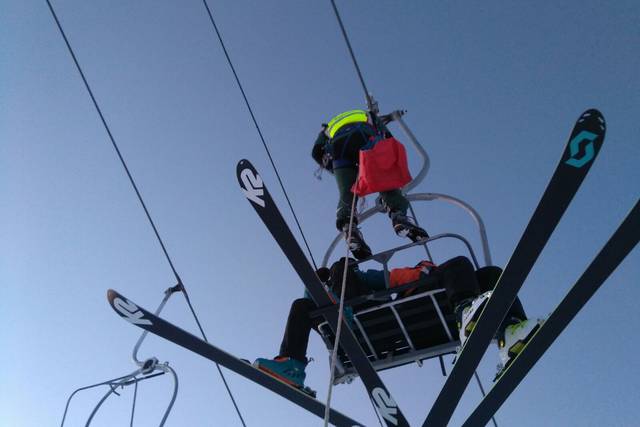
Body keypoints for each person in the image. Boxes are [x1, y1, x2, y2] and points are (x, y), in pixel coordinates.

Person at [254, 256, 542, 393]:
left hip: (420, 317)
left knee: (490, 273)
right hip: (374, 319)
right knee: (304, 304)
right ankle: (292, 364)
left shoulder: (438, 275)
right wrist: (321, 285)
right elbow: (320, 301)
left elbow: (400, 282)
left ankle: (511, 333)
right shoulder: (371, 279)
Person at [311, 109, 428, 260]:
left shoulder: (328, 127)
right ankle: (399, 218)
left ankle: (349, 229)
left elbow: (316, 151)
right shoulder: (367, 114)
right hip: (364, 136)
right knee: (385, 180)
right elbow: (386, 135)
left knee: (347, 192)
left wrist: (338, 171)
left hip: (339, 147)